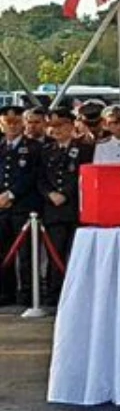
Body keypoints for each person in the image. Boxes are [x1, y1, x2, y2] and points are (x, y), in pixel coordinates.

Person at [38, 108, 92, 304]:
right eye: (53, 127)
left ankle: (77, 293)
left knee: (76, 253)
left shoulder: (85, 149)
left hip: (74, 208)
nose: (57, 131)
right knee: (55, 252)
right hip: (53, 209)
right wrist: (50, 194)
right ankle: (55, 293)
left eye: (61, 126)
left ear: (71, 126)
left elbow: (83, 176)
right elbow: (40, 178)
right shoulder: (46, 150)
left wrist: (65, 193)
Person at [0, 106, 40, 306]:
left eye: (16, 122)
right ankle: (5, 294)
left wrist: (11, 194)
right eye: (8, 122)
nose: (12, 126)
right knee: (3, 252)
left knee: (25, 254)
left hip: (23, 206)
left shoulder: (33, 147)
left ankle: (27, 294)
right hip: (1, 208)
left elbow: (32, 175)